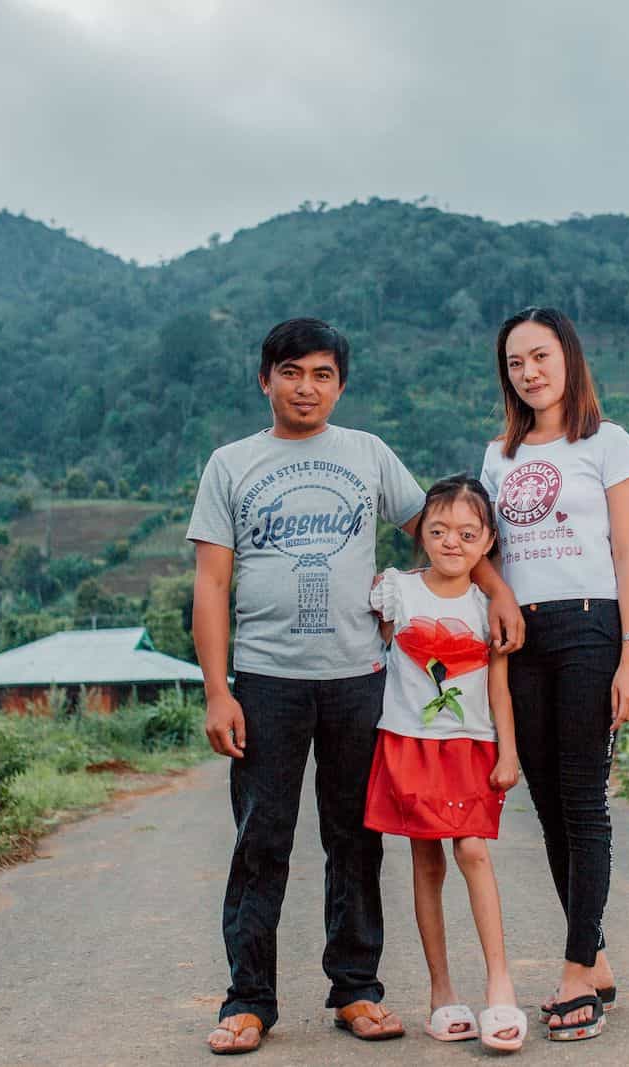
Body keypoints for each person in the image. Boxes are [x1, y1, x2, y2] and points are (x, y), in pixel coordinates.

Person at [188, 318, 523, 1056]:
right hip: (268, 680)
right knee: (261, 840)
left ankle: (357, 989)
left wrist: (497, 592)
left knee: (357, 839)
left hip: (358, 680)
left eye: (322, 374)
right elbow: (212, 584)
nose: (306, 387)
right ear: (265, 379)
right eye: (292, 372)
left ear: (340, 384)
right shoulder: (231, 464)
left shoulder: (367, 454)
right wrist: (219, 688)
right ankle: (248, 1000)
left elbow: (441, 529)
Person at [478, 306, 629, 1042]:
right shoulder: (498, 455)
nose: (529, 372)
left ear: (568, 359)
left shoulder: (607, 444)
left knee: (583, 799)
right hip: (522, 636)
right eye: (516, 363)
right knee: (547, 804)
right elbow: (483, 549)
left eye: (540, 356)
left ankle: (577, 969)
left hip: (589, 626)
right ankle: (598, 956)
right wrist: (500, 594)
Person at [364, 475, 528, 1053]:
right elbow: (377, 655)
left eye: (466, 532)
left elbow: (501, 689)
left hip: (471, 747)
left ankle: (500, 987)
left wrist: (509, 752)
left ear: (487, 542)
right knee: (426, 860)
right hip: (409, 743)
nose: (450, 542)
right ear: (421, 536)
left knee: (474, 851)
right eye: (437, 530)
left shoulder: (491, 606)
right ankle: (441, 992)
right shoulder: (397, 592)